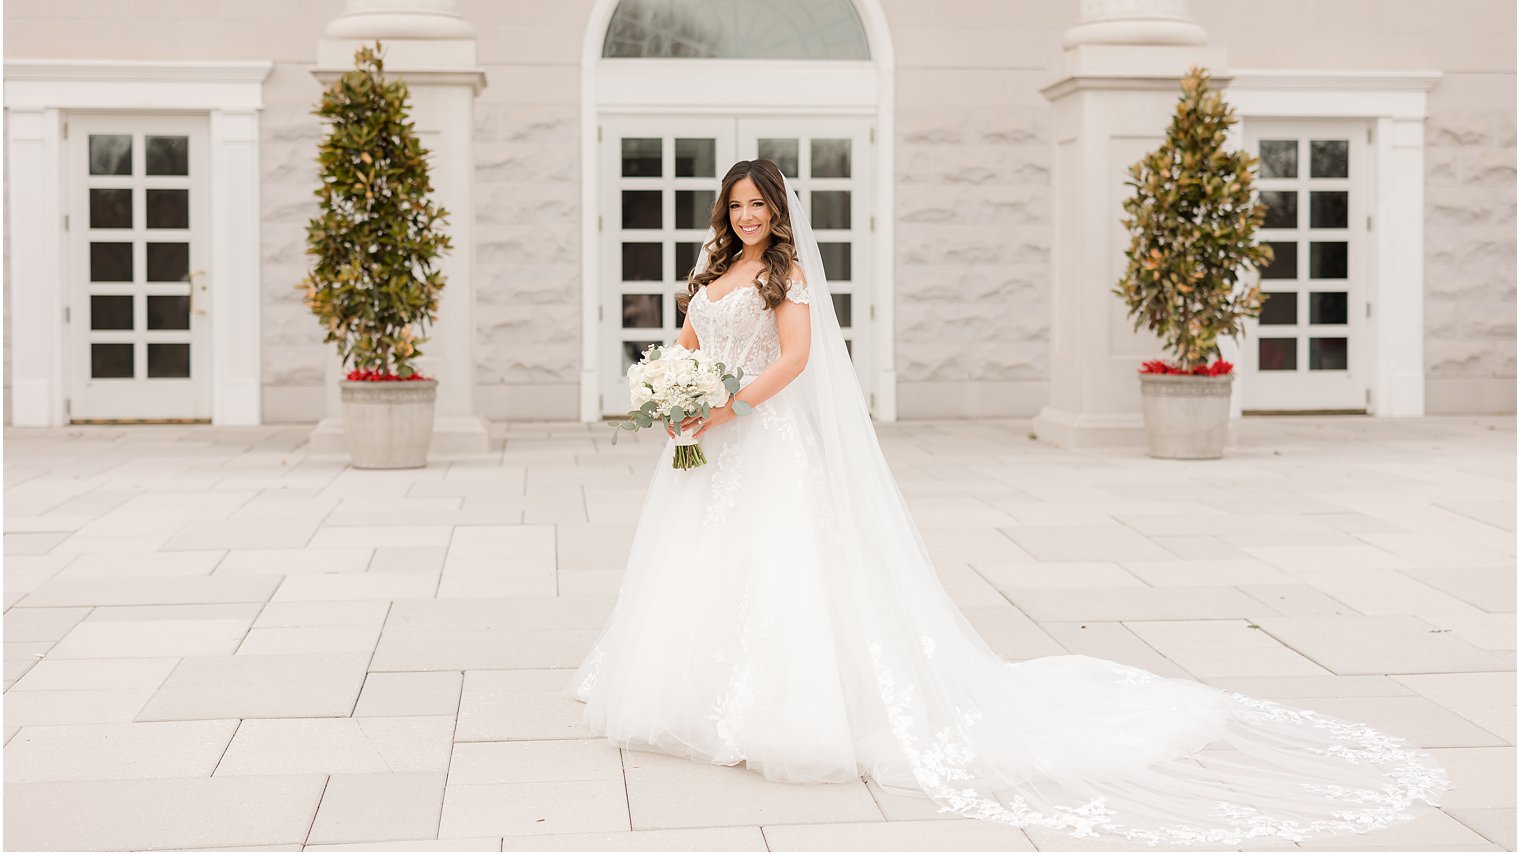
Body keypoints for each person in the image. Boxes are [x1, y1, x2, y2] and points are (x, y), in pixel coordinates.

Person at [564, 159, 1448, 845]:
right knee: (703, 572)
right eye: (737, 205)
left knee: (781, 574)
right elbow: (686, 338)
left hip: (762, 441)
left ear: (779, 211)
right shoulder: (712, 269)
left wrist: (731, 403)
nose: (747, 216)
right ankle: (697, 698)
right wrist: (674, 395)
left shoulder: (785, 276)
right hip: (709, 444)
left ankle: (781, 712)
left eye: (759, 204)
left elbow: (793, 361)